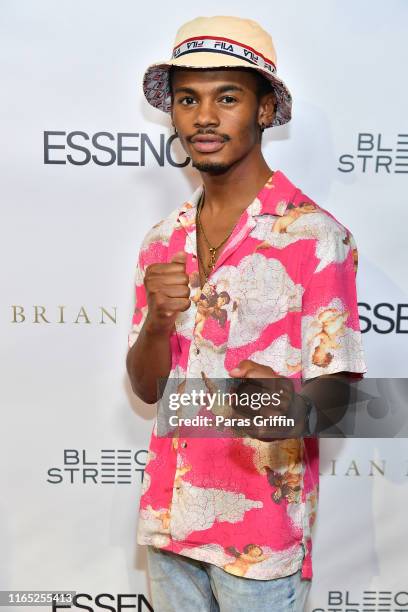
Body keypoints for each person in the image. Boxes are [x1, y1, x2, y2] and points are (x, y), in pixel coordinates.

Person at [126, 15, 367, 612]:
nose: (203, 117)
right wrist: (158, 322)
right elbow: (148, 388)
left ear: (263, 110)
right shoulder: (163, 239)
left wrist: (296, 410)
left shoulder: (315, 237)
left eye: (226, 97)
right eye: (188, 99)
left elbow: (339, 394)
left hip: (260, 542)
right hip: (167, 523)